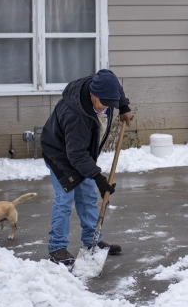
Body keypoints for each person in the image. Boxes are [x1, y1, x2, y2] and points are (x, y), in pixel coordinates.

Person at [40, 68, 134, 266]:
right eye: (103, 103)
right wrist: (99, 178)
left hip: (79, 152)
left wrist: (123, 106)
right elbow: (76, 155)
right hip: (60, 154)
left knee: (88, 197)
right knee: (65, 199)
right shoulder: (77, 116)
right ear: (92, 93)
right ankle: (57, 247)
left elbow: (115, 86)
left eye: (111, 104)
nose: (106, 108)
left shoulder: (103, 83)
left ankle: (93, 242)